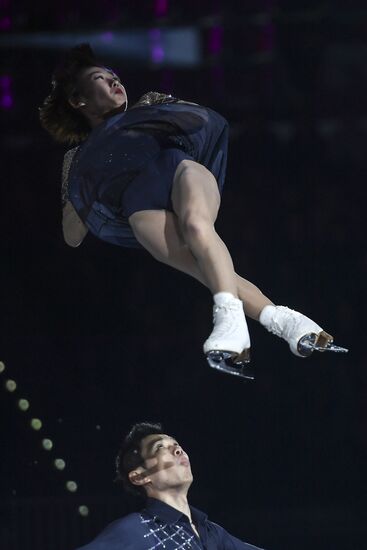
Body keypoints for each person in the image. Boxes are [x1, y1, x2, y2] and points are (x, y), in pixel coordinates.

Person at [39, 44, 347, 379]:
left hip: (180, 171)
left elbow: (200, 121)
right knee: (205, 270)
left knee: (198, 229)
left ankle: (230, 324)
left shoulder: (150, 103)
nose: (115, 82)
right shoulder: (78, 160)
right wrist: (77, 190)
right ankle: (286, 322)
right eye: (101, 79)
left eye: (115, 76)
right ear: (78, 100)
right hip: (139, 206)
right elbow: (72, 237)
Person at [76, 421, 266, 549]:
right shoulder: (135, 529)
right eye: (160, 447)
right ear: (140, 476)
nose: (177, 449)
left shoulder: (211, 531)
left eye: (176, 444)